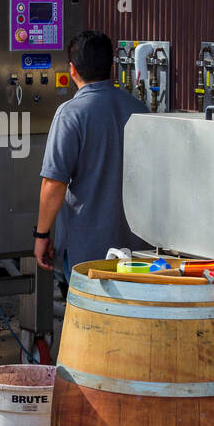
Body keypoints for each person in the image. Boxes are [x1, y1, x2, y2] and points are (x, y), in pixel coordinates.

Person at [33, 30, 148, 279]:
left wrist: (42, 235)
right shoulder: (140, 110)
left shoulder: (70, 114)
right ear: (113, 67)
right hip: (139, 253)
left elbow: (53, 183)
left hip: (87, 255)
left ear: (72, 69)